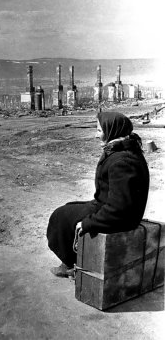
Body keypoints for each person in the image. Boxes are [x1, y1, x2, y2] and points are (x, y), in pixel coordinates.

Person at [46, 111, 150, 277]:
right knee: (67, 210)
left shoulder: (122, 161)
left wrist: (88, 223)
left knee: (61, 218)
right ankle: (73, 262)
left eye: (99, 131)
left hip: (120, 216)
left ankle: (71, 263)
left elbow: (119, 208)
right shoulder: (125, 149)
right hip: (109, 206)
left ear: (112, 131)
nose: (96, 136)